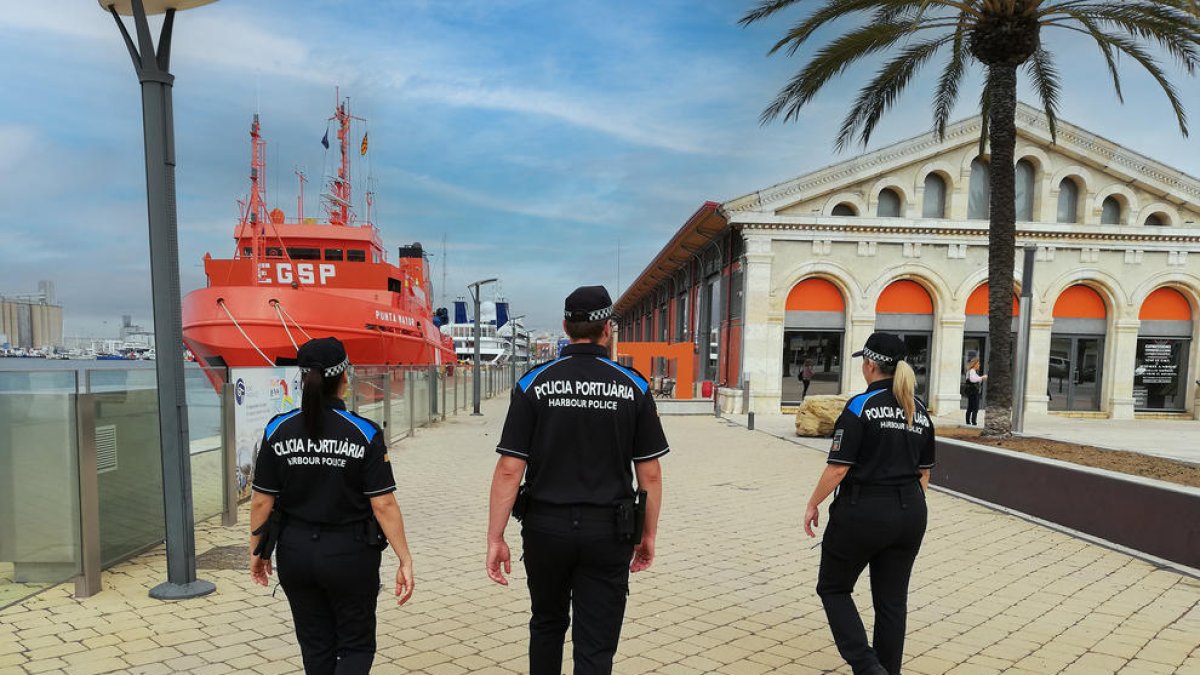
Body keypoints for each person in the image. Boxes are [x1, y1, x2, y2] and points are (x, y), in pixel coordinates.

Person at [486, 285, 668, 675]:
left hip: (545, 529)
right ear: (608, 329)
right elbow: (649, 471)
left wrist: (495, 537)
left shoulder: (533, 383)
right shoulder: (633, 386)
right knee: (596, 645)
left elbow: (508, 468)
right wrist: (647, 535)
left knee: (547, 624)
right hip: (609, 532)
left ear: (566, 327)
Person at [248, 337, 415, 674]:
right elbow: (383, 504)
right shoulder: (364, 432)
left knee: (315, 645)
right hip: (349, 554)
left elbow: (262, 500)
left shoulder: (277, 429)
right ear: (344, 378)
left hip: (294, 551)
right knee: (355, 644)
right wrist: (404, 559)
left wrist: (257, 551)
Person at [803, 332, 935, 675]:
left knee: (833, 587)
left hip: (864, 511)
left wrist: (812, 504)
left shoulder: (861, 406)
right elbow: (924, 473)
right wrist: (907, 505)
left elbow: (838, 469)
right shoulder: (918, 409)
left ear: (871, 365)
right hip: (910, 513)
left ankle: (867, 667)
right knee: (892, 602)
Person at [964, 357, 987, 426]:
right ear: (975, 364)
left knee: (970, 407)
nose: (979, 365)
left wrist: (981, 378)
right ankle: (973, 422)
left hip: (971, 391)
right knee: (975, 407)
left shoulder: (971, 371)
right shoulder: (972, 371)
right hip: (973, 391)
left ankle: (968, 421)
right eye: (978, 364)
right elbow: (973, 380)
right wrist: (982, 378)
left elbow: (975, 379)